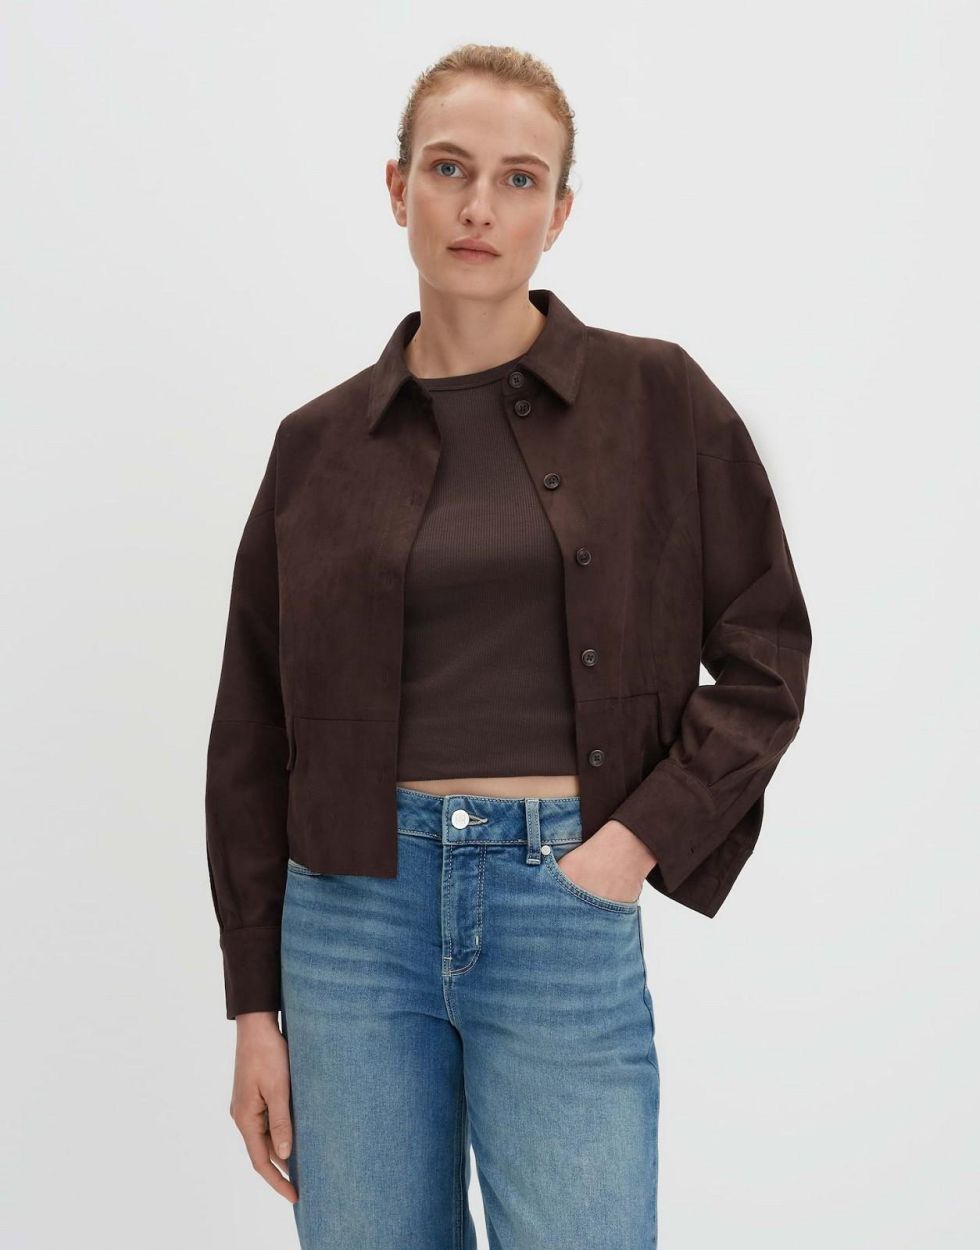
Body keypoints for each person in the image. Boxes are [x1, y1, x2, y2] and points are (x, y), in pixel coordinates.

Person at [205, 43, 812, 1250]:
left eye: (518, 178)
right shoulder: (315, 446)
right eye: (448, 168)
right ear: (397, 189)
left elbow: (765, 654)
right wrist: (254, 1005)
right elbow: (251, 730)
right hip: (348, 921)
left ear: (559, 212)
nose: (479, 206)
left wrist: (630, 843)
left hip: (559, 895)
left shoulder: (658, 399)